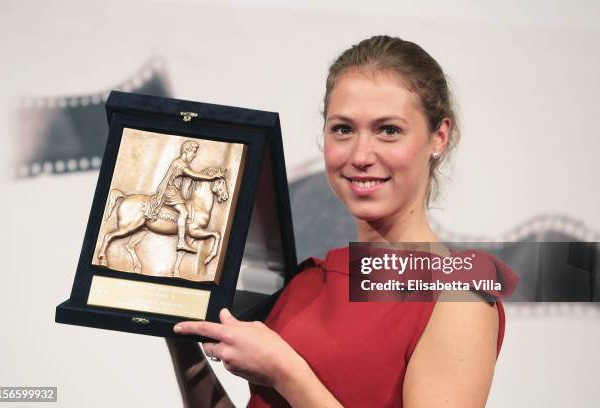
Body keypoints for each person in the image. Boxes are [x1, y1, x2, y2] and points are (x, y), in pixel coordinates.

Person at [165, 35, 517, 407]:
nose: (361, 155)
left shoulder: (458, 301)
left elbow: (286, 378)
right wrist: (176, 331)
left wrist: (286, 373)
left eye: (389, 130)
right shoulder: (306, 283)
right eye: (343, 129)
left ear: (439, 136)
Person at [145, 140, 224, 252]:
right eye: (194, 152)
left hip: (174, 191)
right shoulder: (180, 164)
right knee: (184, 212)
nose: (195, 155)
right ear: (187, 151)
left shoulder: (181, 163)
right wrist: (211, 177)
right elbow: (194, 175)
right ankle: (181, 242)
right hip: (170, 192)